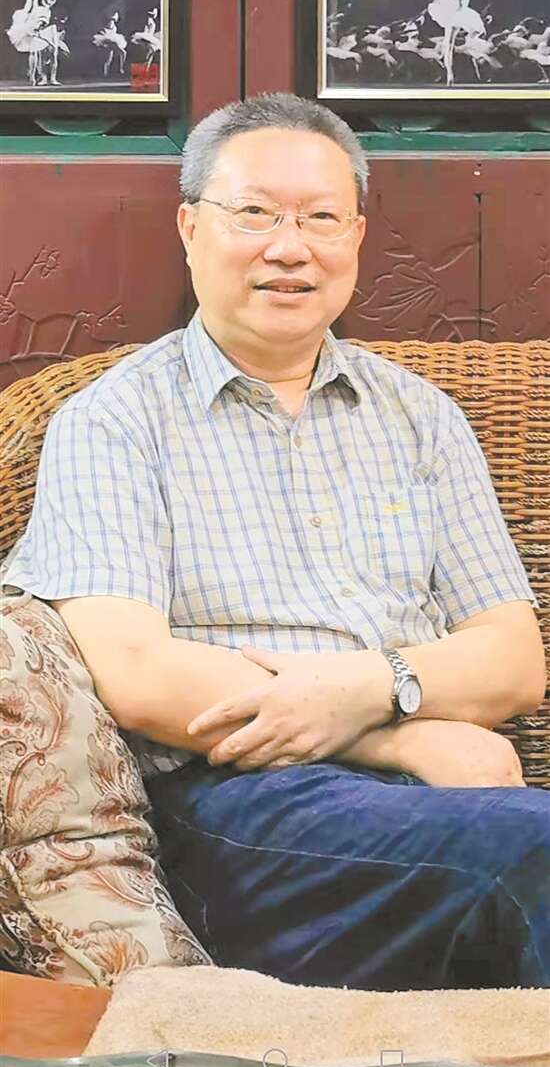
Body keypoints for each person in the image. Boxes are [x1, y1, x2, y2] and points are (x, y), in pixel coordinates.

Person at [2, 93, 548, 993]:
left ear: (356, 237)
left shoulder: (421, 417)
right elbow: (136, 672)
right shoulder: (114, 422)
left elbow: (513, 657)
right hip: (236, 808)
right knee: (536, 847)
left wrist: (377, 687)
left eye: (321, 218)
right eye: (254, 212)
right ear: (191, 228)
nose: (290, 247)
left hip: (440, 800)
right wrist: (394, 736)